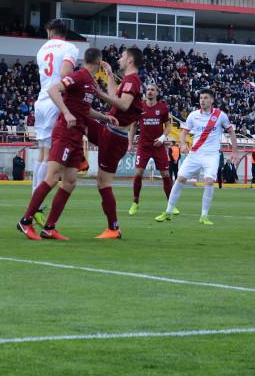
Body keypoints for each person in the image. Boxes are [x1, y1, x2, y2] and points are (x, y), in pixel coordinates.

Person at [18, 48, 118, 240]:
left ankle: (49, 227)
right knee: (52, 177)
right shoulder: (79, 76)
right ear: (99, 62)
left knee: (70, 181)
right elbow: (53, 89)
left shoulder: (90, 82)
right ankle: (25, 221)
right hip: (65, 132)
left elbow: (84, 110)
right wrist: (66, 112)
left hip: (77, 136)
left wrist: (104, 117)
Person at [156, 89, 239, 226]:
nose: (202, 100)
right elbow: (184, 133)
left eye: (205, 98)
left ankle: (204, 216)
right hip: (195, 154)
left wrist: (234, 152)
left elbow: (231, 131)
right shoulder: (193, 115)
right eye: (201, 98)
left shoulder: (220, 115)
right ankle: (168, 212)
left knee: (208, 181)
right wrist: (182, 144)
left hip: (212, 155)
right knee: (180, 179)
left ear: (212, 100)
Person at [87, 47, 145, 238]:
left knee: (103, 183)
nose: (119, 59)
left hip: (115, 137)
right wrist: (110, 75)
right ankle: (79, 159)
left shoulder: (132, 80)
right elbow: (116, 99)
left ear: (129, 60)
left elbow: (124, 104)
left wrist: (99, 93)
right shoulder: (128, 80)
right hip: (109, 131)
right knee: (78, 116)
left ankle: (113, 228)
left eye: (122, 56)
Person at [31, 19, 80, 201]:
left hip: (41, 100)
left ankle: (34, 193)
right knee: (50, 153)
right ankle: (39, 199)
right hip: (55, 100)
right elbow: (65, 74)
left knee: (42, 151)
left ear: (51, 32)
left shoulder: (41, 50)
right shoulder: (70, 48)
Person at [130, 82, 173, 216]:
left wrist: (162, 138)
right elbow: (133, 126)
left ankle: (171, 204)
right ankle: (135, 202)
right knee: (138, 173)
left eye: (152, 90)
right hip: (143, 146)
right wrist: (130, 143)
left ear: (157, 92)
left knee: (165, 174)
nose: (150, 92)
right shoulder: (139, 107)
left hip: (158, 146)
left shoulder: (163, 108)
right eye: (148, 89)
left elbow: (168, 126)